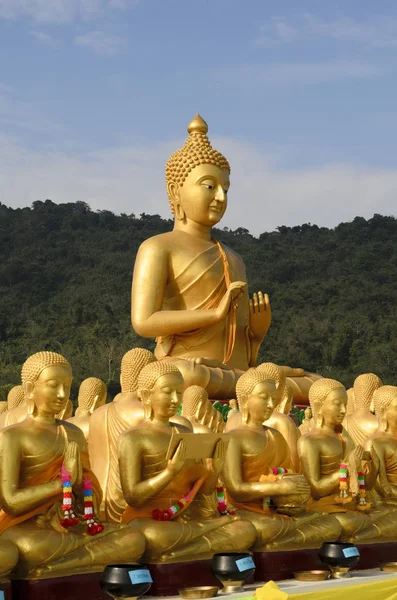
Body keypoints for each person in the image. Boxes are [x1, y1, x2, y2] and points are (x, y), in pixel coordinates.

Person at [131, 114, 318, 401]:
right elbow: (144, 322)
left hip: (235, 374)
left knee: (316, 385)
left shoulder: (233, 258)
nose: (220, 197)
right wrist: (214, 314)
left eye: (226, 189)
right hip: (188, 369)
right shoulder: (158, 247)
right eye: (209, 186)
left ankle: (255, 389)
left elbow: (239, 347)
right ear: (175, 191)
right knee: (188, 378)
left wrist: (255, 335)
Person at [0, 351, 146, 577]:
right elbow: (11, 502)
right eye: (53, 385)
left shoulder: (73, 433)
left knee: (133, 539)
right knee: (27, 548)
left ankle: (56, 567)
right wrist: (62, 483)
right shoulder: (12, 436)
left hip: (71, 522)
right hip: (29, 527)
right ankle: (63, 565)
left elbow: (87, 491)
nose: (62, 394)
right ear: (30, 390)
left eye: (67, 386)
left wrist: (80, 487)